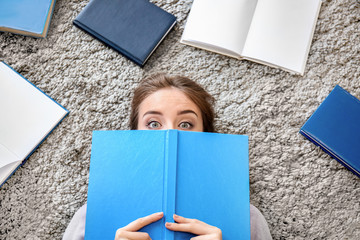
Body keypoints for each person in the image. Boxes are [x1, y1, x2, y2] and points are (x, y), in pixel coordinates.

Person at [63, 73, 272, 240]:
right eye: (153, 124)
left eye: (186, 124)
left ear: (206, 135)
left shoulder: (248, 220)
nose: (170, 134)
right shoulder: (89, 218)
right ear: (133, 135)